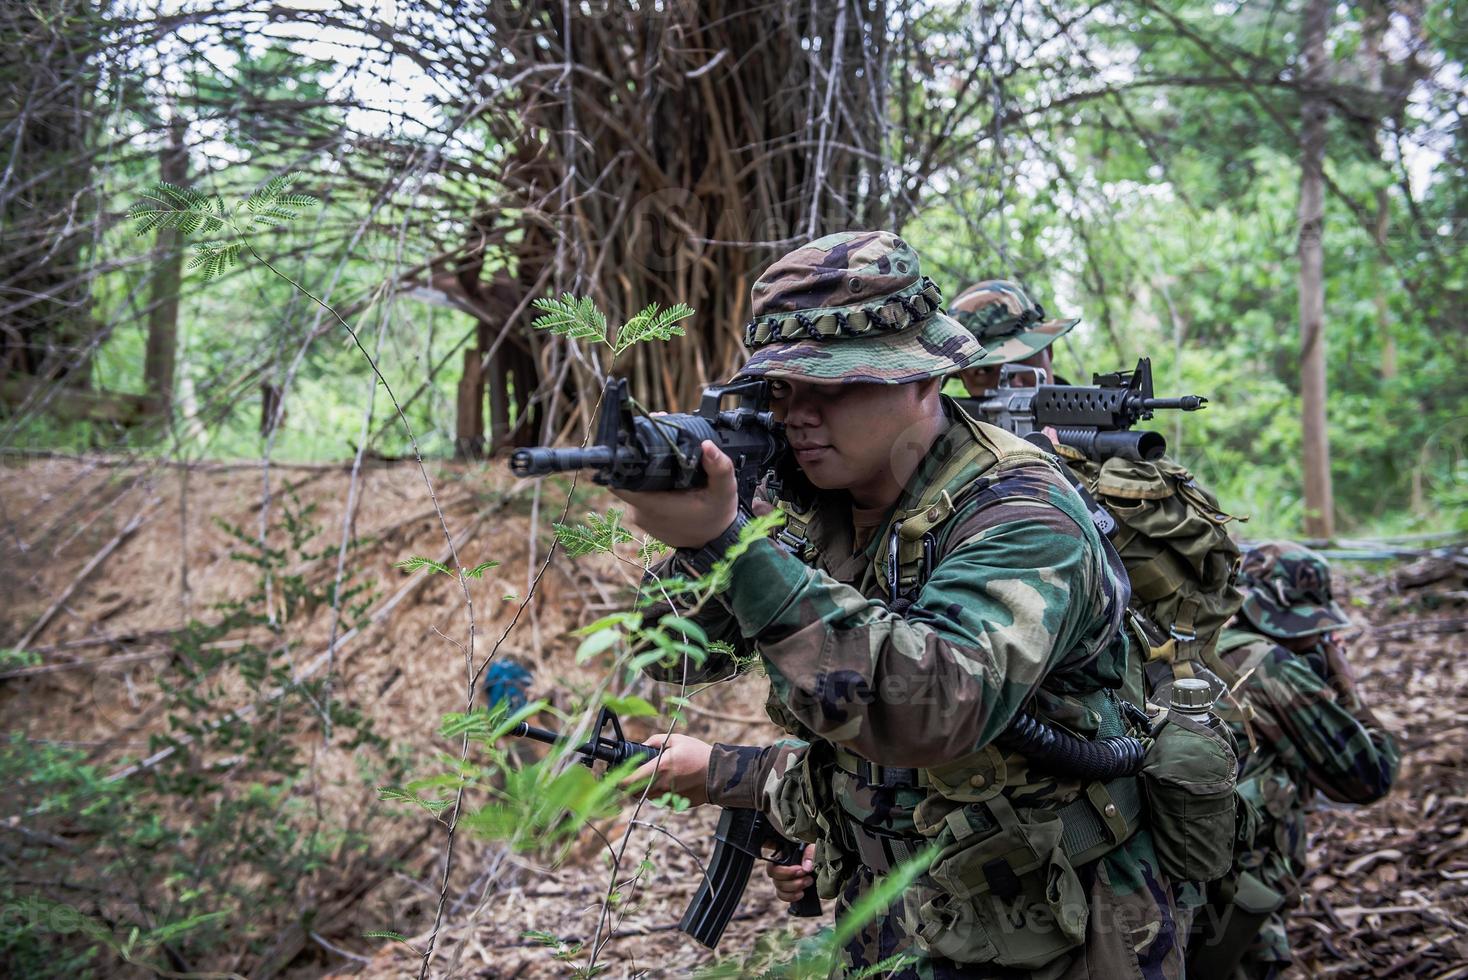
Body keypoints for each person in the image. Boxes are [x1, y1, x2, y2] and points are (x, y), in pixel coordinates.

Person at [620, 232, 1182, 978]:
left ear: (923, 378)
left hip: (1059, 925)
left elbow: (935, 708)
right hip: (898, 910)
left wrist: (735, 547)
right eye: (783, 390)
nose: (800, 415)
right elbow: (676, 657)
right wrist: (713, 530)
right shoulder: (807, 497)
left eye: (835, 385)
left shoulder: (1022, 512)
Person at [1196, 542, 1400, 980]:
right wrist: (1347, 684)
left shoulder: (1202, 642)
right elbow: (1370, 776)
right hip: (1237, 890)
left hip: (1195, 877)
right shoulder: (1270, 665)